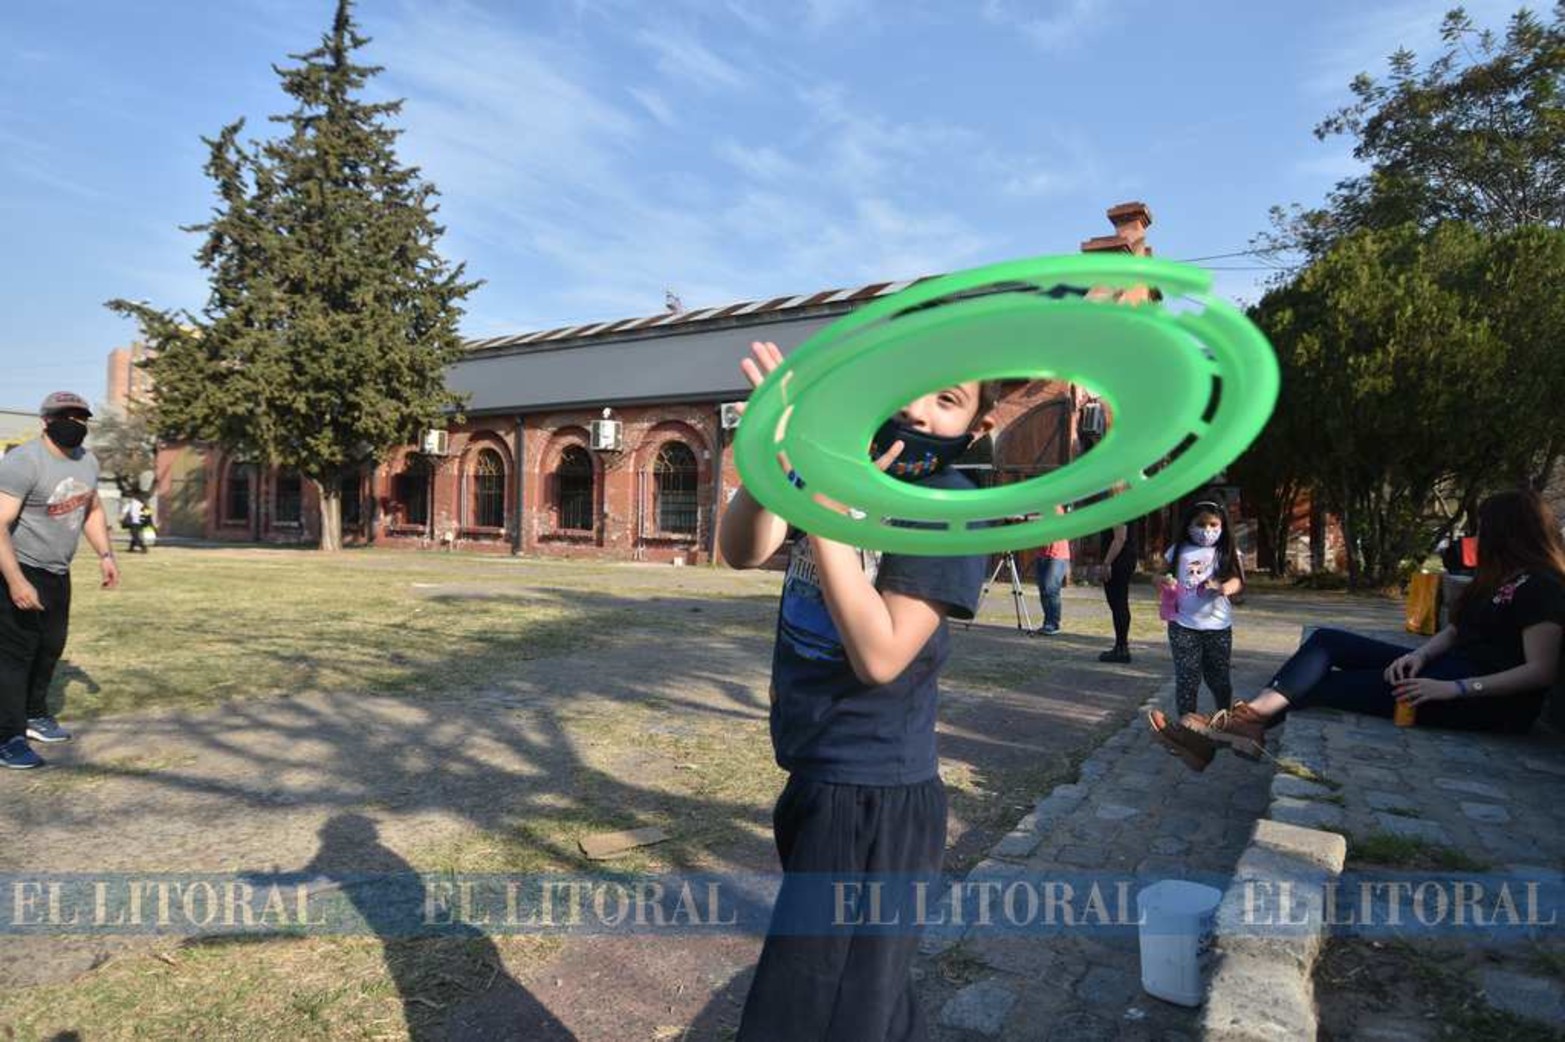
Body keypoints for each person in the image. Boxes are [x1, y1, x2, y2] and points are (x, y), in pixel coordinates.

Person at [720, 340, 995, 1042]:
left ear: (975, 429)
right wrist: (768, 464)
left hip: (872, 795)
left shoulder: (946, 508)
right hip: (815, 776)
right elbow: (741, 549)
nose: (917, 407)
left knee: (807, 1014)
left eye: (948, 399)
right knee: (863, 1000)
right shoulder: (835, 472)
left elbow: (880, 656)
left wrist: (824, 513)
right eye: (909, 384)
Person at [1151, 490, 1565, 771]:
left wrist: (1454, 689)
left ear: (1507, 534)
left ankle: (1231, 729)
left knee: (1324, 687)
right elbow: (1456, 631)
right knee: (1327, 641)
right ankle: (1248, 720)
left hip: (1485, 701)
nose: (1477, 538)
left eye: (1485, 529)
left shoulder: (1542, 585)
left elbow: (1540, 671)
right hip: (1447, 670)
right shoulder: (1495, 580)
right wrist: (1419, 655)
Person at [0, 392, 120, 769]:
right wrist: (16, 581)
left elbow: (92, 510)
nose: (74, 422)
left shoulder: (88, 462)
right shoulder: (23, 461)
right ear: (45, 421)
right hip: (17, 566)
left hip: (56, 571)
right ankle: (8, 737)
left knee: (51, 645)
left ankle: (35, 716)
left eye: (81, 416)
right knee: (15, 654)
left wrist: (105, 555)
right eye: (64, 415)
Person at [1158, 500, 1246, 723]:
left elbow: (1238, 580)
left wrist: (1224, 588)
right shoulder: (1177, 551)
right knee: (1187, 678)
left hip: (1218, 627)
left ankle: (1225, 720)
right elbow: (1157, 575)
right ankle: (1187, 724)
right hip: (1183, 625)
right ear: (1189, 525)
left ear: (1222, 526)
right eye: (1201, 524)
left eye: (1214, 525)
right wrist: (1163, 581)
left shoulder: (1226, 551)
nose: (1207, 531)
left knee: (1219, 679)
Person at [1096, 516, 1136, 663]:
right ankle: (1121, 645)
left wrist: (1107, 563)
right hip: (1123, 558)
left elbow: (1120, 538)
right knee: (1119, 603)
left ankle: (1121, 648)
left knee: (1118, 603)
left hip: (1119, 560)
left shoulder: (1119, 508)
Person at [1032, 507, 1070, 636]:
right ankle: (1047, 622)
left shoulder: (1054, 507)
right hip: (1042, 553)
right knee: (1043, 590)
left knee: (1051, 589)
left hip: (1057, 555)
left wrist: (1026, 519)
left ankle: (1053, 623)